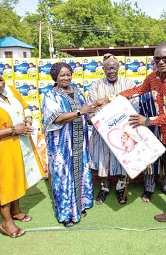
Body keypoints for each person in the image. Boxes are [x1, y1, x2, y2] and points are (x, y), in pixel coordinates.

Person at [119, 43, 166, 242]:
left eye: (165, 58)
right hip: (165, 135)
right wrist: (112, 98)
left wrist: (148, 121)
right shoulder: (153, 77)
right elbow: (138, 89)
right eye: (157, 58)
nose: (161, 62)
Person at [0, 64, 45, 238]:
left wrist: (27, 120)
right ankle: (7, 223)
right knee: (4, 185)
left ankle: (16, 210)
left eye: (0, 80)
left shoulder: (11, 90)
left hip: (20, 144)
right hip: (1, 149)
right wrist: (13, 130)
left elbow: (25, 107)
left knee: (17, 178)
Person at [41, 62, 102, 227]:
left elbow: (85, 115)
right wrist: (81, 111)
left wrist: (97, 113)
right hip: (62, 146)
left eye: (68, 74)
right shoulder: (50, 95)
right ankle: (66, 214)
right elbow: (56, 118)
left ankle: (79, 206)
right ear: (55, 76)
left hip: (79, 144)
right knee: (63, 177)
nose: (66, 78)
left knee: (80, 174)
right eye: (62, 75)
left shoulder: (77, 91)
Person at [87, 53, 137, 205]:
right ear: (103, 69)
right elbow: (93, 109)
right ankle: (104, 187)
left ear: (119, 67)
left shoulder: (129, 84)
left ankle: (121, 187)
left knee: (123, 160)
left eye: (114, 68)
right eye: (108, 68)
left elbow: (134, 104)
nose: (111, 71)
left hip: (123, 130)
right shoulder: (96, 86)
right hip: (102, 132)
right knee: (103, 160)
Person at [139, 61, 166, 203]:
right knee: (150, 158)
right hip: (149, 127)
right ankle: (149, 188)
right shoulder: (146, 89)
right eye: (155, 68)